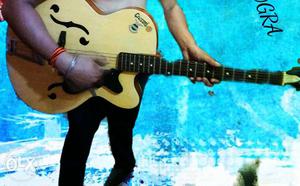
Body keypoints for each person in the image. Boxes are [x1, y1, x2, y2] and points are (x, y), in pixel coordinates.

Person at [3, 0, 220, 185]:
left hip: (135, 62)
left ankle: (124, 165)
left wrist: (188, 45)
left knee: (125, 122)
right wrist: (65, 61)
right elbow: (14, 5)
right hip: (82, 60)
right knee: (79, 134)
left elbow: (171, 6)